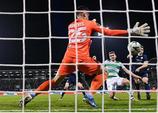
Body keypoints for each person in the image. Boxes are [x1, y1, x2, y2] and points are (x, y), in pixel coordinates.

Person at [19, 6, 150, 108]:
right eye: (88, 15)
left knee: (55, 81)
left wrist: (92, 27)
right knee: (104, 72)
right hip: (81, 57)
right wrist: (130, 31)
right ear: (83, 14)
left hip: (68, 57)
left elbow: (83, 36)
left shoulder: (70, 25)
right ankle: (89, 95)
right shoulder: (89, 24)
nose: (89, 17)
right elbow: (109, 32)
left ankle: (32, 94)